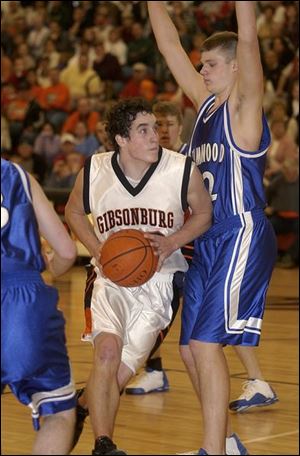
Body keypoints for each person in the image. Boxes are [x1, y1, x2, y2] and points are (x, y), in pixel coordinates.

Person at [147, 2, 278, 454]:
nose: (201, 71)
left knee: (205, 345)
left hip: (241, 232)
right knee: (189, 351)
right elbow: (168, 46)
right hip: (206, 240)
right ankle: (225, 442)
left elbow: (249, 38)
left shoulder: (243, 107)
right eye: (200, 65)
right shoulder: (204, 111)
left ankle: (213, 451)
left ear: (237, 66)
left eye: (211, 65)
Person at [64, 97, 212, 455]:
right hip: (109, 279)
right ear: (121, 139)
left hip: (161, 283)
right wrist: (98, 250)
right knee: (106, 353)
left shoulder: (180, 169)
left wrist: (171, 241)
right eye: (143, 130)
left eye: (156, 128)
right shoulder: (96, 169)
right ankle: (104, 445)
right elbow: (72, 211)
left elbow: (204, 213)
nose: (155, 135)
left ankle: (80, 405)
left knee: (115, 378)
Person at [1, 158, 77, 454]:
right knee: (57, 411)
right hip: (23, 300)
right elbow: (67, 251)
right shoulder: (16, 174)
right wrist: (46, 271)